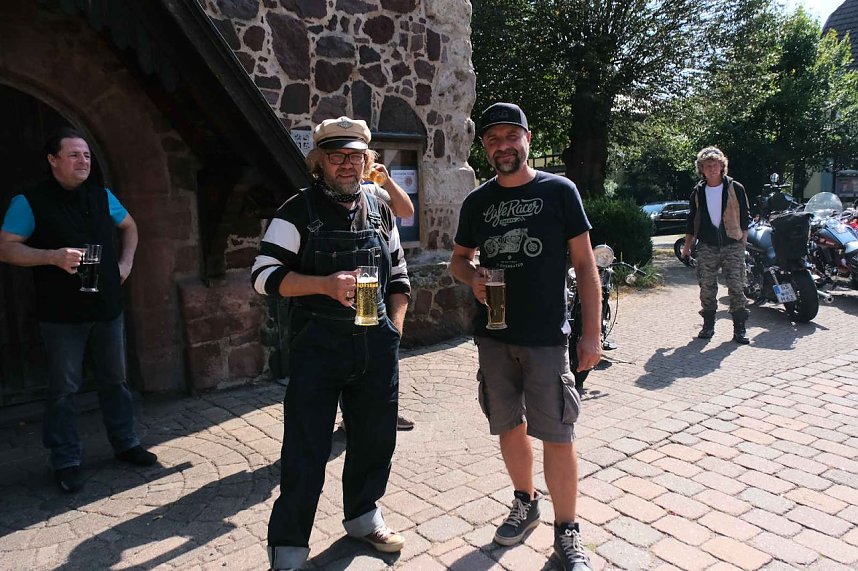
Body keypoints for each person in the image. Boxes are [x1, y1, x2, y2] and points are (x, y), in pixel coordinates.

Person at [251, 116, 410, 570]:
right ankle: (288, 550)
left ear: (368, 161)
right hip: (317, 348)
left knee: (375, 442)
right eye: (337, 156)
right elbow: (262, 277)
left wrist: (393, 328)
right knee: (305, 451)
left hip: (376, 347)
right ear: (318, 162)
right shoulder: (296, 211)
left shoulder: (380, 208)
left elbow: (398, 273)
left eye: (356, 156)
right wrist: (322, 285)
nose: (347, 164)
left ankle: (363, 516)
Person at [450, 102, 599, 571]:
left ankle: (567, 532)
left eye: (510, 136)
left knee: (558, 433)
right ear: (485, 148)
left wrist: (590, 334)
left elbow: (586, 265)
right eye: (492, 139)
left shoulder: (560, 190)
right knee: (507, 425)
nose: (502, 146)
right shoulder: (477, 201)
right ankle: (525, 500)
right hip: (493, 337)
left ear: (527, 140)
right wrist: (471, 277)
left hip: (547, 338)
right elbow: (458, 259)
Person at [0, 127, 156, 493]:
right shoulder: (30, 201)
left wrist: (126, 264)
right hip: (61, 315)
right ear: (52, 160)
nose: (82, 161)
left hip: (107, 308)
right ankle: (66, 460)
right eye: (73, 155)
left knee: (115, 382)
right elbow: (6, 247)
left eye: (86, 155)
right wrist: (51, 256)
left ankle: (126, 444)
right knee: (63, 391)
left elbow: (130, 227)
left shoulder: (101, 196)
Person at [681, 146, 751, 344]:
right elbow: (692, 219)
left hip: (733, 243)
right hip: (707, 245)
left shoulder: (735, 187)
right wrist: (687, 246)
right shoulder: (698, 191)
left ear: (722, 166)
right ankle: (708, 325)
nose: (712, 169)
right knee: (707, 287)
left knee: (737, 286)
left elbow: (745, 215)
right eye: (707, 166)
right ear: (701, 169)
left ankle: (740, 329)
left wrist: (742, 241)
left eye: (715, 165)